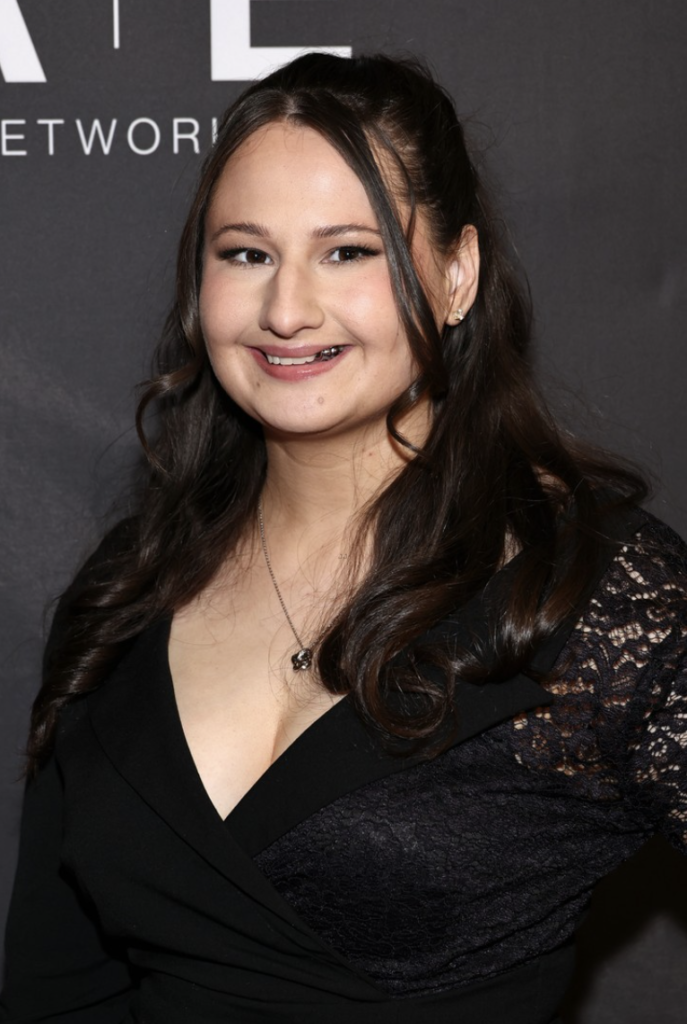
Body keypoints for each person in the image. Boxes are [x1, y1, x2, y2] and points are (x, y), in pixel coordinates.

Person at [1, 51, 685, 1024]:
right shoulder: (128, 589)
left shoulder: (597, 597)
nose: (287, 308)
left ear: (457, 274)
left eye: (348, 251)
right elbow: (53, 987)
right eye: (246, 253)